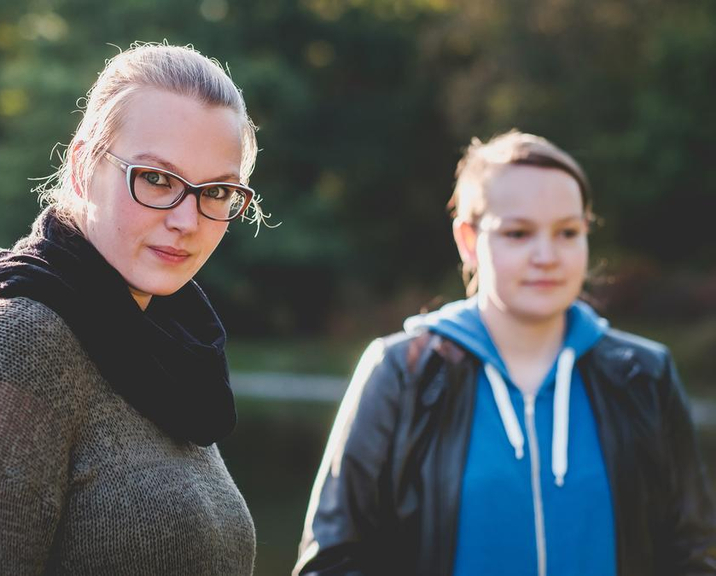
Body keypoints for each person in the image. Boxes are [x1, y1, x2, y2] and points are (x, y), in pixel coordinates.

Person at [294, 130, 716, 576]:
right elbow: (331, 561)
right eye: (518, 233)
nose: (547, 255)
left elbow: (693, 555)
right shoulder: (402, 372)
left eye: (568, 232)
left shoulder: (644, 375)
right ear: (469, 241)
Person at [0, 43, 268, 575]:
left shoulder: (174, 348)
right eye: (156, 179)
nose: (187, 220)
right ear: (84, 167)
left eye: (216, 191)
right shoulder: (17, 338)